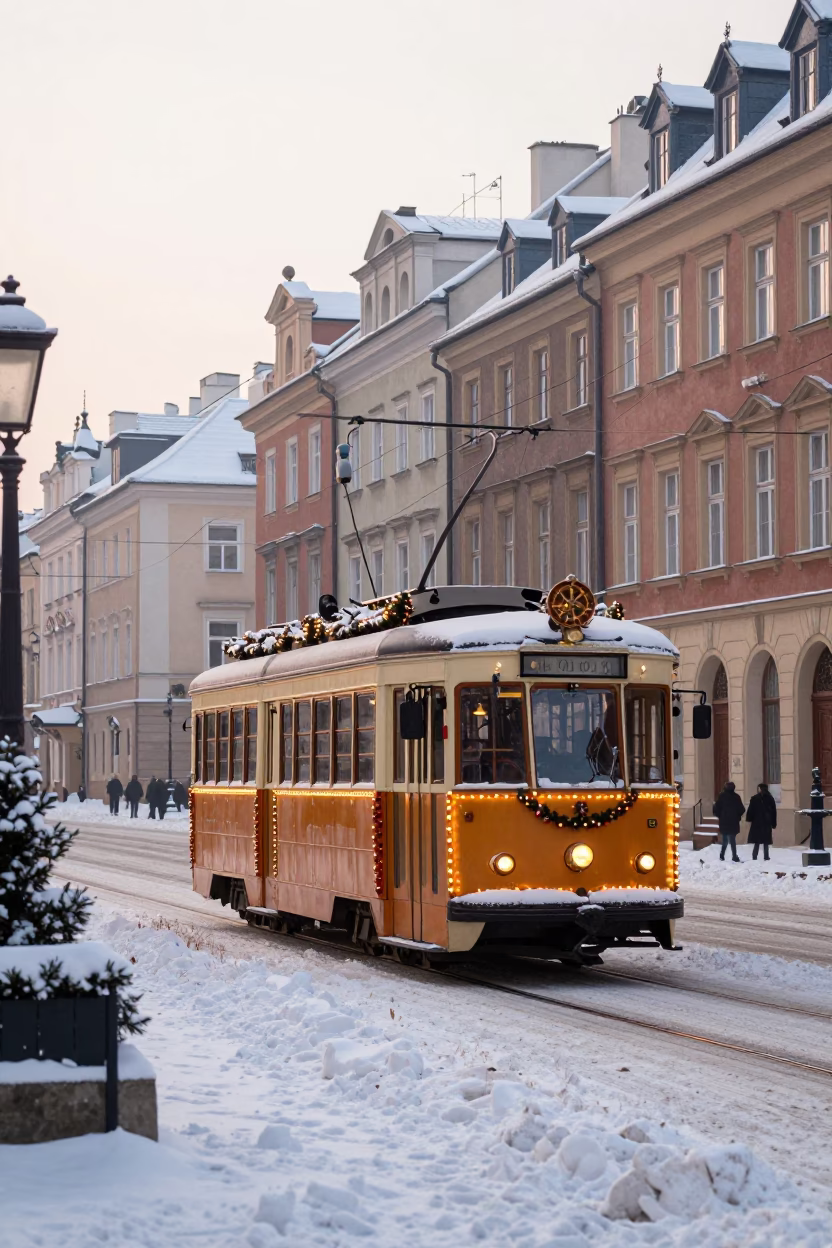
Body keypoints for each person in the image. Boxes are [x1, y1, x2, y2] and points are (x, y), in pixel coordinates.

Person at [713, 781, 746, 862]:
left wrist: (720, 816)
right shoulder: (736, 797)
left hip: (724, 821)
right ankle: (734, 856)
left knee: (725, 839)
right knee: (732, 840)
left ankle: (722, 855)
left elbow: (716, 808)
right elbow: (741, 809)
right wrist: (737, 816)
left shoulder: (721, 796)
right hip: (733, 821)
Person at [746, 782, 777, 861]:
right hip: (766, 822)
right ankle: (766, 856)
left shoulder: (755, 798)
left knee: (757, 841)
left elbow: (750, 811)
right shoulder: (770, 798)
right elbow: (773, 812)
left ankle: (754, 856)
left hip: (757, 823)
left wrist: (749, 818)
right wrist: (773, 823)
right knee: (765, 841)